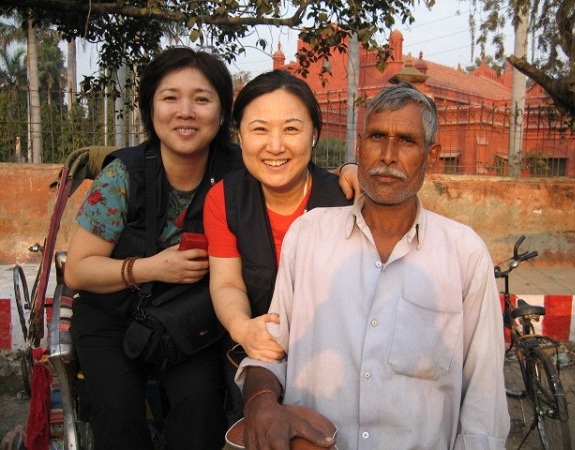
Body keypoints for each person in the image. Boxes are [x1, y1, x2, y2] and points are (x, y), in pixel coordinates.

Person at [236, 84, 511, 449]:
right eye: (377, 137)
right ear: (360, 146)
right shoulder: (309, 236)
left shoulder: (463, 254)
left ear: (432, 154)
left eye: (407, 141)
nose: (388, 155)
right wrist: (261, 403)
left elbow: (485, 394)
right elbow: (272, 352)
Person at [64, 47, 244, 450]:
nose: (186, 111)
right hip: (111, 318)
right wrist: (150, 268)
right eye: (170, 97)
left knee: (201, 410)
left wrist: (349, 172)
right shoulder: (121, 175)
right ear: (150, 108)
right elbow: (77, 271)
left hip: (189, 318)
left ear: (221, 111)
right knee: (118, 419)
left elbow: (297, 170)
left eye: (201, 98)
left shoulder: (240, 172)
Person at [204, 70, 355, 424]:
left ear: (314, 135)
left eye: (291, 129)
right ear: (240, 137)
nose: (275, 146)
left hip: (333, 367)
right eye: (259, 129)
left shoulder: (346, 200)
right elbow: (226, 282)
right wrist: (244, 329)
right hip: (253, 360)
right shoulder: (224, 199)